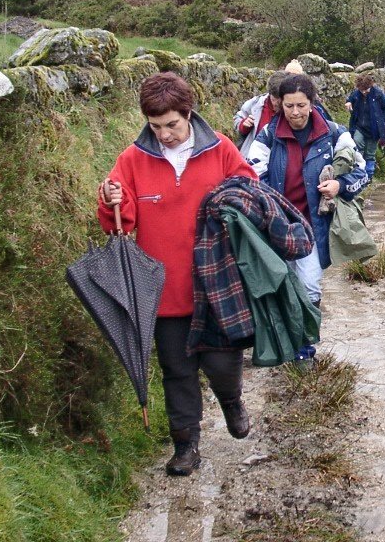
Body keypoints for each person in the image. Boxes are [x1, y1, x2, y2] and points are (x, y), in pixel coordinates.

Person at [97, 72, 258, 478]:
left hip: (217, 284)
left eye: (172, 124)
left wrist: (232, 202)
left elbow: (249, 191)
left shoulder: (220, 149)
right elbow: (120, 224)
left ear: (188, 113)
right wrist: (110, 200)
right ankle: (186, 445)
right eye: (155, 127)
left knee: (222, 363)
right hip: (164, 290)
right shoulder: (132, 159)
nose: (164, 135)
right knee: (177, 370)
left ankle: (231, 400)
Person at [247, 75, 368, 361]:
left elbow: (362, 171)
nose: (295, 112)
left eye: (301, 105)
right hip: (278, 225)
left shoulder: (334, 134)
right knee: (282, 283)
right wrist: (270, 204)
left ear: (312, 103)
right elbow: (252, 174)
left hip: (314, 226)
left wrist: (340, 185)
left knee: (309, 285)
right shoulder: (268, 135)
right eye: (289, 106)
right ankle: (283, 342)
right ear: (280, 104)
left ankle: (304, 348)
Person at [345, 73, 385, 182]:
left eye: (366, 89)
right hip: (359, 127)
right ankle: (359, 174)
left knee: (370, 153)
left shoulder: (378, 94)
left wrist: (381, 119)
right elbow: (350, 99)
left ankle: (369, 176)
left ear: (370, 86)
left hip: (374, 129)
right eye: (361, 90)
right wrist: (348, 102)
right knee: (357, 145)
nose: (364, 92)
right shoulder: (357, 93)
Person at [233, 71, 289, 158]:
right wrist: (243, 125)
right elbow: (237, 119)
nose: (277, 103)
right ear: (269, 93)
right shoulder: (255, 104)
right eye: (274, 99)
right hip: (252, 159)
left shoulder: (294, 110)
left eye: (281, 99)